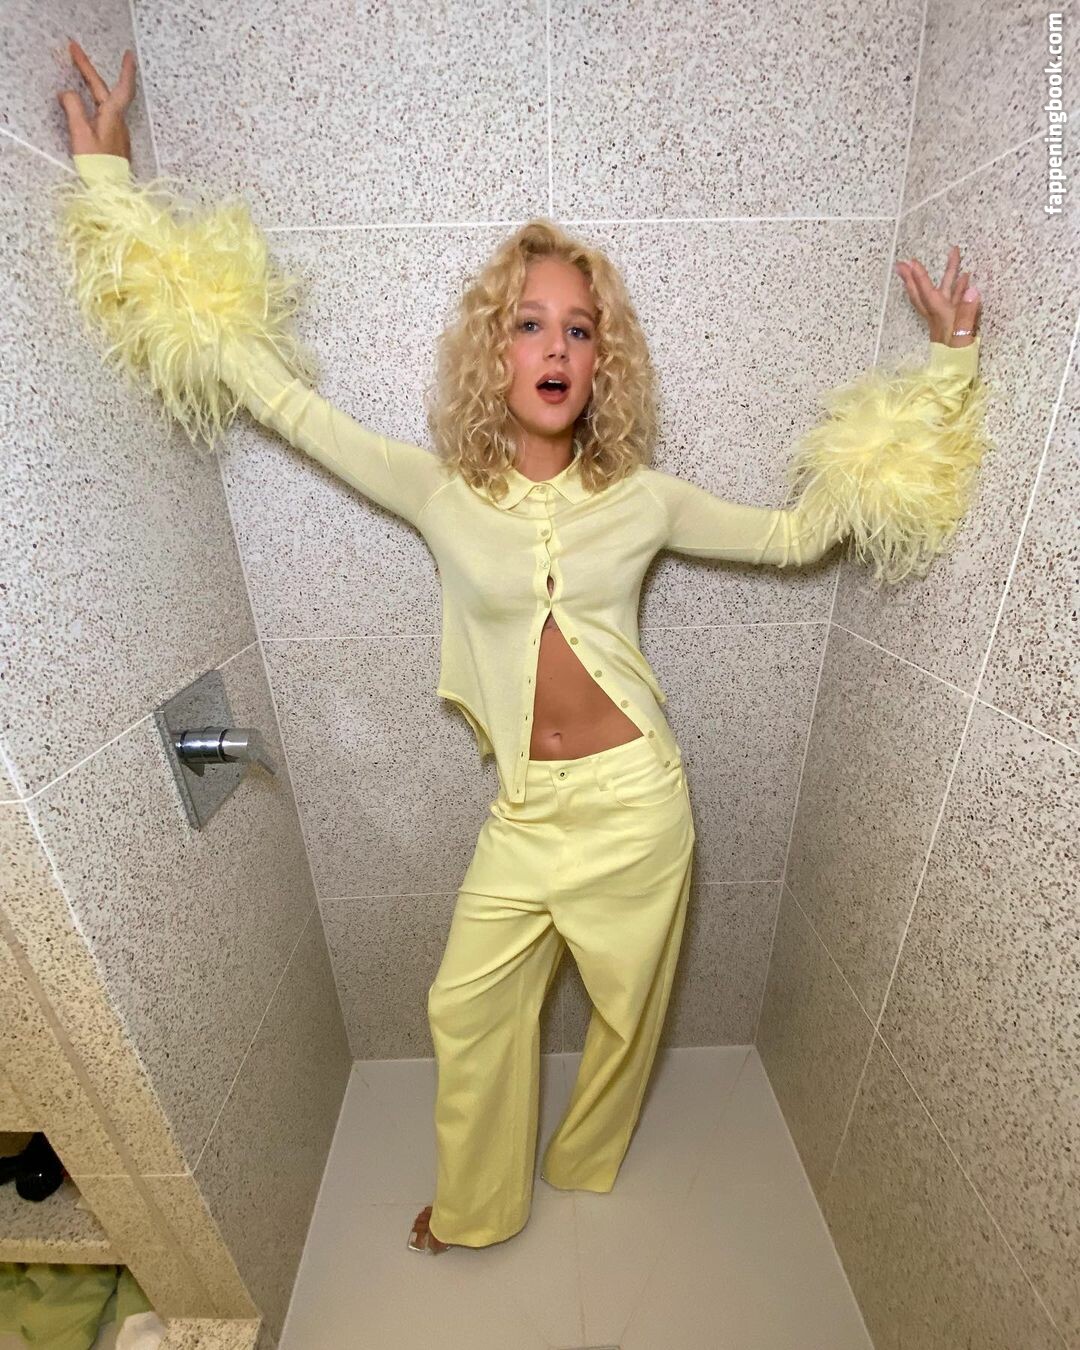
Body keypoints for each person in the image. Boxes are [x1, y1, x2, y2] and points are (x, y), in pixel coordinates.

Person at [54, 42, 988, 1256]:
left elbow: (804, 533)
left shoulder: (643, 500)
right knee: (466, 1005)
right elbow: (276, 397)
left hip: (642, 805)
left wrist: (944, 372)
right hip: (529, 813)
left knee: (629, 1016)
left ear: (604, 362)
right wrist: (113, 188)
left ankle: (585, 1162)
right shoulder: (441, 491)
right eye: (531, 324)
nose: (556, 348)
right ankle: (482, 1207)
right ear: (496, 351)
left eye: (580, 331)